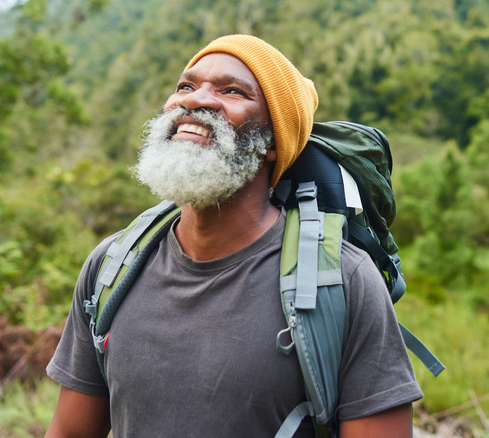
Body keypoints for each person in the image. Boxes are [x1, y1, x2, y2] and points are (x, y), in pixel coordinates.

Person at [44, 34, 423, 438]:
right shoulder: (111, 266)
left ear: (274, 143)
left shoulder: (343, 281)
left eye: (232, 90)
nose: (193, 100)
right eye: (186, 86)